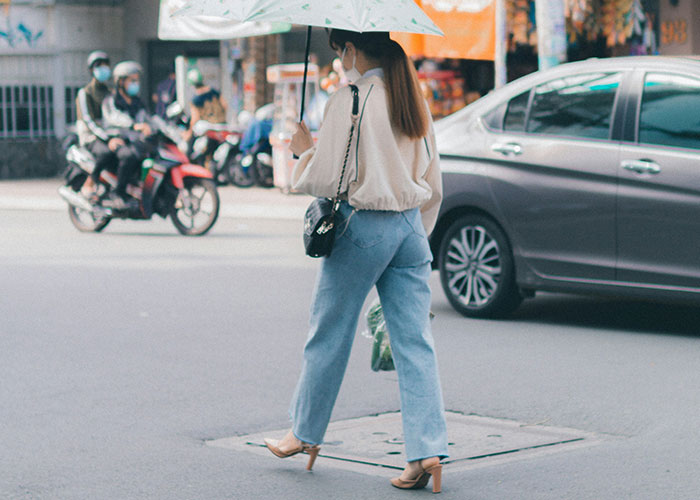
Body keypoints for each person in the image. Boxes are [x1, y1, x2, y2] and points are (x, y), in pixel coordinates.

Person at [263, 30, 447, 493]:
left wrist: (304, 150)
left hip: (364, 227)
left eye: (340, 51)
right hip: (410, 229)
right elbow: (432, 174)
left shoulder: (351, 98)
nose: (341, 60)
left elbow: (326, 178)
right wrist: (415, 233)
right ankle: (426, 451)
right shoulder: (411, 97)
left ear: (352, 50)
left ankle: (303, 434)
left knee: (329, 332)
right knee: (415, 344)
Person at [101, 60, 152, 209]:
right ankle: (118, 192)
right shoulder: (111, 101)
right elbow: (114, 117)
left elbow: (149, 118)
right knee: (129, 156)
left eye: (137, 80)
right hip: (115, 140)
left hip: (133, 140)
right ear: (121, 82)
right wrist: (134, 125)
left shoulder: (137, 102)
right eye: (132, 80)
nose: (136, 84)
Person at [75, 50, 121, 192]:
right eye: (99, 66)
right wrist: (107, 139)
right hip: (90, 136)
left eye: (106, 66)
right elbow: (89, 120)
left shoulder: (109, 92)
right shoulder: (85, 92)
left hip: (107, 133)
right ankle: (91, 180)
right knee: (106, 153)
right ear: (92, 70)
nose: (104, 69)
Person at [182, 68, 227, 143]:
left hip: (208, 131)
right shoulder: (214, 92)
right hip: (222, 126)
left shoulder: (195, 100)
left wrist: (189, 132)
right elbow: (225, 105)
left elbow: (195, 118)